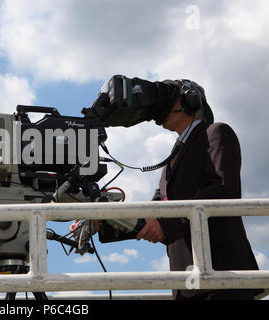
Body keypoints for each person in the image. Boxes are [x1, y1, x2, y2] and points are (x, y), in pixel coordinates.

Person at [80, 79, 261, 300]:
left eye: (169, 99)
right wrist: (104, 222)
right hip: (186, 283)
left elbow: (221, 190)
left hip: (222, 275)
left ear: (190, 101)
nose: (160, 107)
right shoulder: (171, 159)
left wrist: (166, 224)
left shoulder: (216, 132)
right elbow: (152, 215)